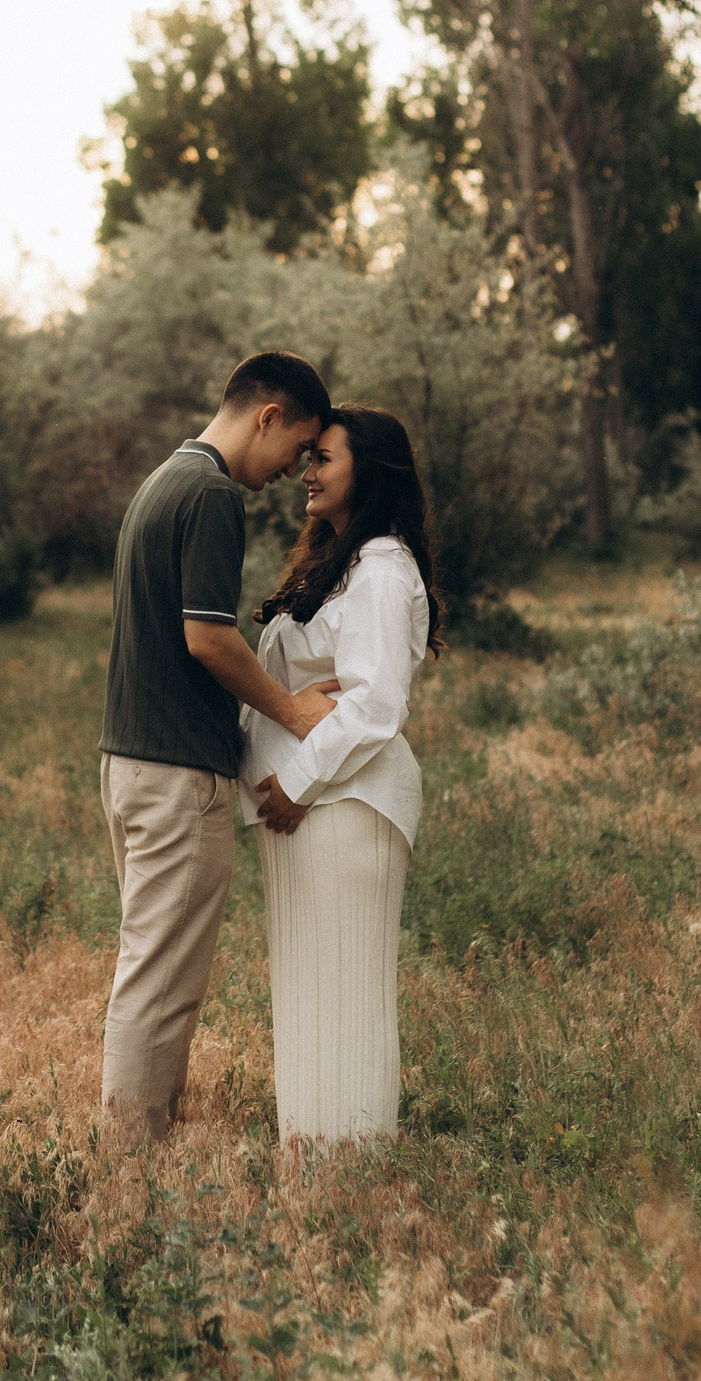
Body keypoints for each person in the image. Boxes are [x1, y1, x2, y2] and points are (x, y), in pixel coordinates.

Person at [98, 351, 338, 1142]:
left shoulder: (164, 480)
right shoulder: (210, 496)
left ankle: (133, 1153)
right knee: (160, 982)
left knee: (147, 967)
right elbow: (208, 637)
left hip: (129, 764)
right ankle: (131, 1170)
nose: (292, 472)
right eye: (298, 449)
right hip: (175, 776)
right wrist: (294, 714)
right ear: (267, 417)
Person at [241, 405, 443, 1143]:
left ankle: (352, 1167)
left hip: (344, 802)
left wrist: (297, 783)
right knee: (305, 988)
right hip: (305, 810)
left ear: (371, 469)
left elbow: (376, 703)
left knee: (346, 989)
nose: (307, 471)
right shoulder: (336, 564)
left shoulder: (384, 569)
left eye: (324, 457)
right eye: (308, 456)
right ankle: (309, 1158)